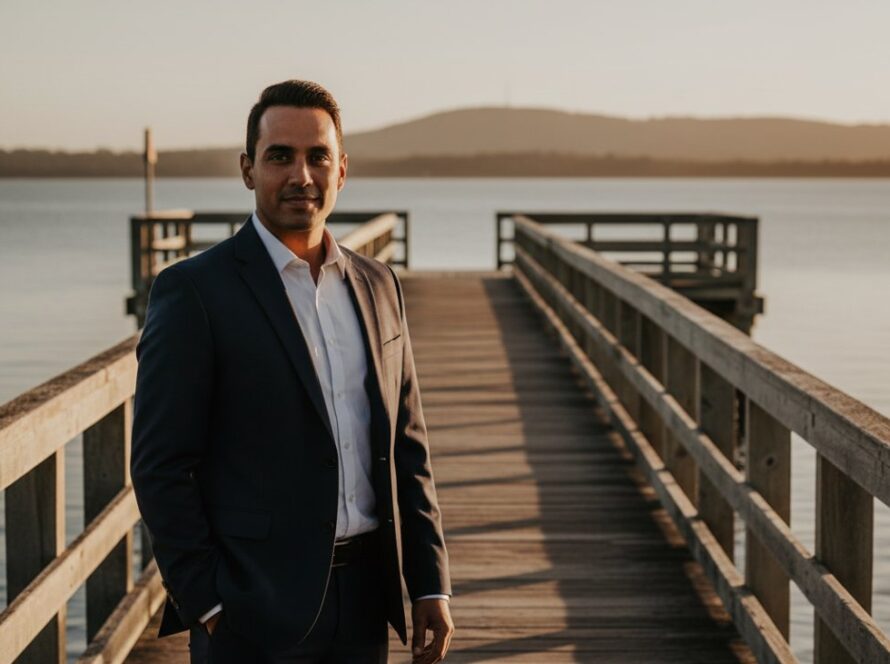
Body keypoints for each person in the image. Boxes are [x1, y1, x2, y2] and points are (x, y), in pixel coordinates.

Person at [131, 80, 453, 663]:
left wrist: (429, 581)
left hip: (365, 601)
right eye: (280, 156)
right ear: (249, 170)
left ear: (342, 170)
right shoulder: (194, 292)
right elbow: (159, 466)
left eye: (317, 156)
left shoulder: (379, 285)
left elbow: (408, 445)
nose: (301, 175)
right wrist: (206, 602)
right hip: (251, 609)